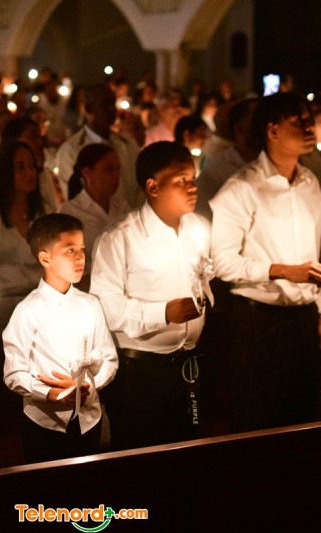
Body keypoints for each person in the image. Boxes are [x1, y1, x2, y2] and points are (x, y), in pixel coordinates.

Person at [210, 92, 321, 433]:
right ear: (272, 130)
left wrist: (319, 310)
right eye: (299, 121)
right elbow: (223, 263)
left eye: (310, 119)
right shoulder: (242, 187)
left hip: (302, 318)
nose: (309, 127)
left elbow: (310, 256)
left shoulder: (310, 183)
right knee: (258, 420)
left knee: (302, 419)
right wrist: (280, 270)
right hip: (258, 320)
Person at [91, 141, 210, 450]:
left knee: (189, 449)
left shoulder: (199, 228)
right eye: (181, 180)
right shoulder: (119, 237)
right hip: (140, 372)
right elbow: (106, 307)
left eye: (192, 178)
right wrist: (164, 313)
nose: (192, 187)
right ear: (153, 187)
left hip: (189, 363)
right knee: (141, 454)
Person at [3, 214, 118, 463]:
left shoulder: (90, 304)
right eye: (69, 250)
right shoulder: (28, 310)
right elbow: (13, 374)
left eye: (82, 249)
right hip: (45, 423)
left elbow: (110, 359)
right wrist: (51, 394)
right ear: (45, 258)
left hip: (88, 419)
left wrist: (89, 385)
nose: (80, 258)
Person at [0, 141, 52, 332]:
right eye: (20, 167)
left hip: (38, 307)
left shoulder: (44, 210)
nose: (29, 173)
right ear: (4, 171)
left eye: (31, 166)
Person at [55, 83, 142, 208]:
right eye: (105, 104)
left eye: (113, 104)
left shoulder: (128, 145)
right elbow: (76, 199)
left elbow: (138, 190)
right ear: (89, 109)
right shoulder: (71, 150)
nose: (112, 110)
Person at [60, 143, 129, 288]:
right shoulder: (72, 212)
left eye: (118, 169)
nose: (116, 175)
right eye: (108, 169)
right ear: (87, 173)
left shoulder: (121, 207)